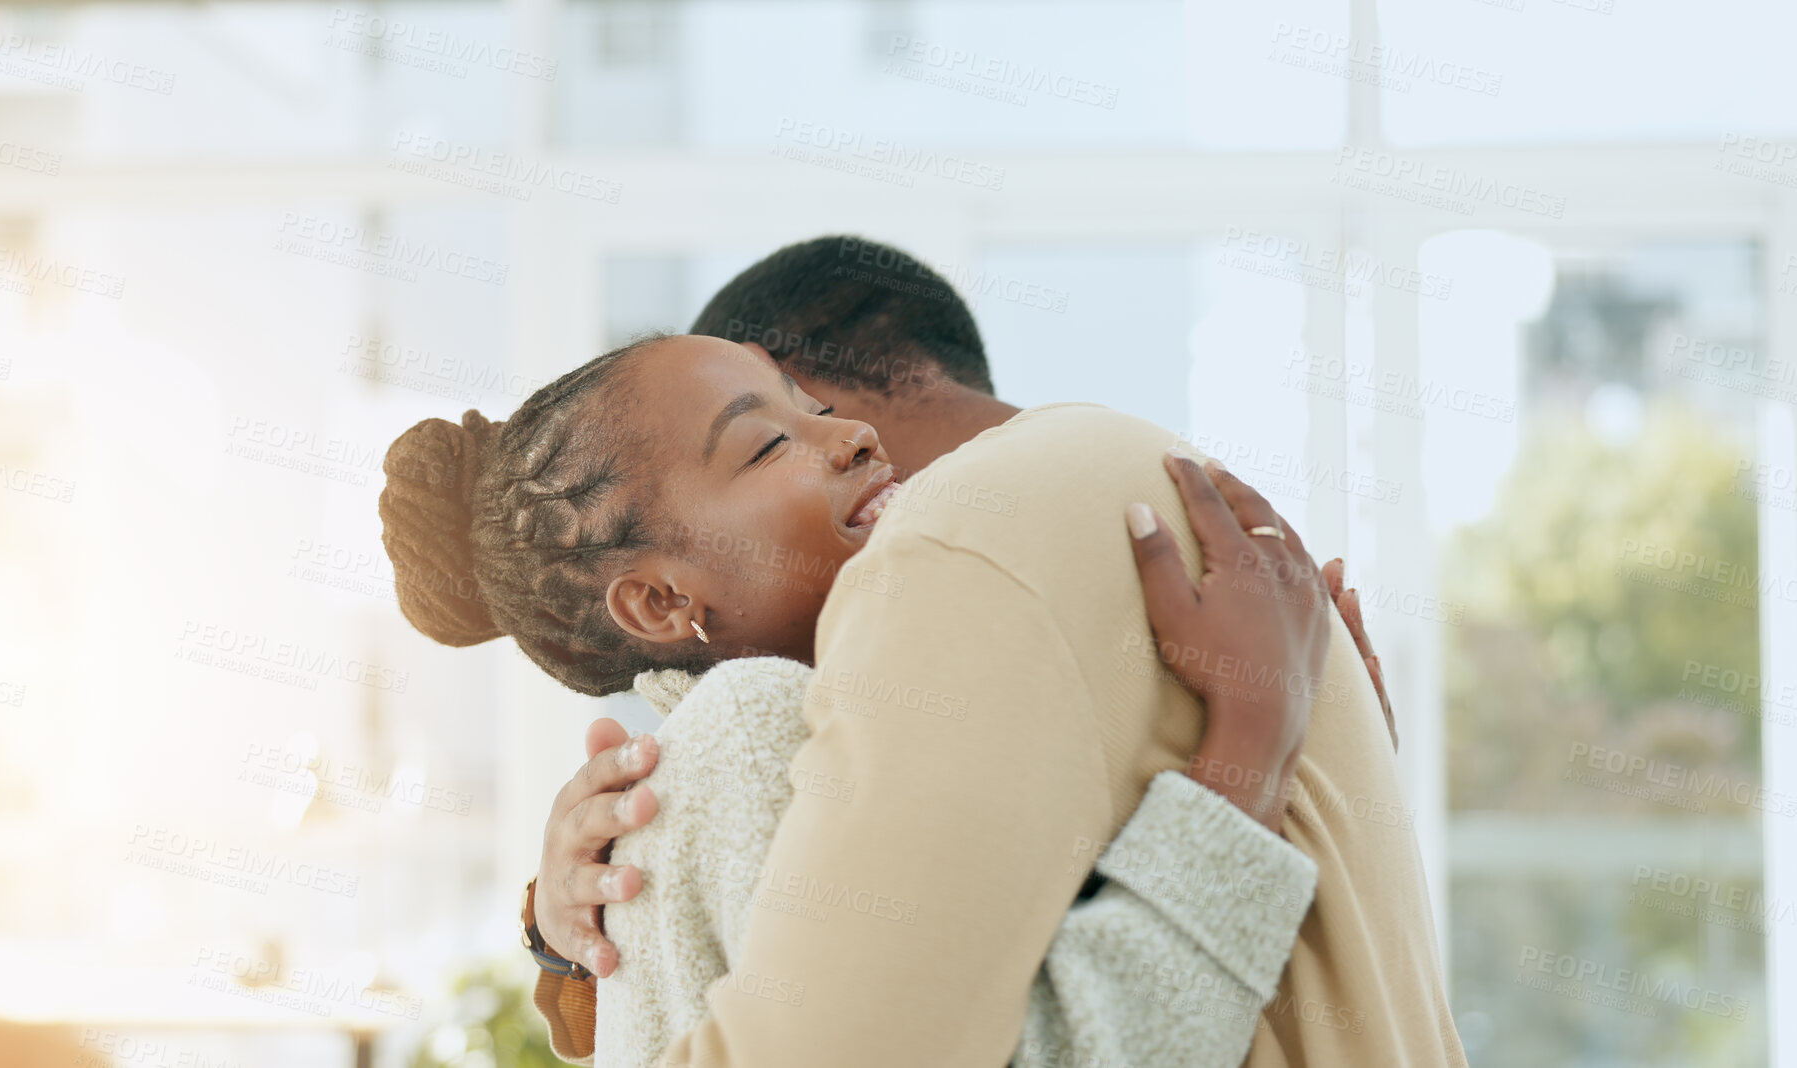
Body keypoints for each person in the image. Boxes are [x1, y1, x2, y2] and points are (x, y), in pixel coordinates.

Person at [381, 334, 1342, 1067]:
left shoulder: (786, 733)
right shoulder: (753, 727)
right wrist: (1251, 748)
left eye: (814, 408)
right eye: (766, 445)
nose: (851, 438)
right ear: (663, 601)